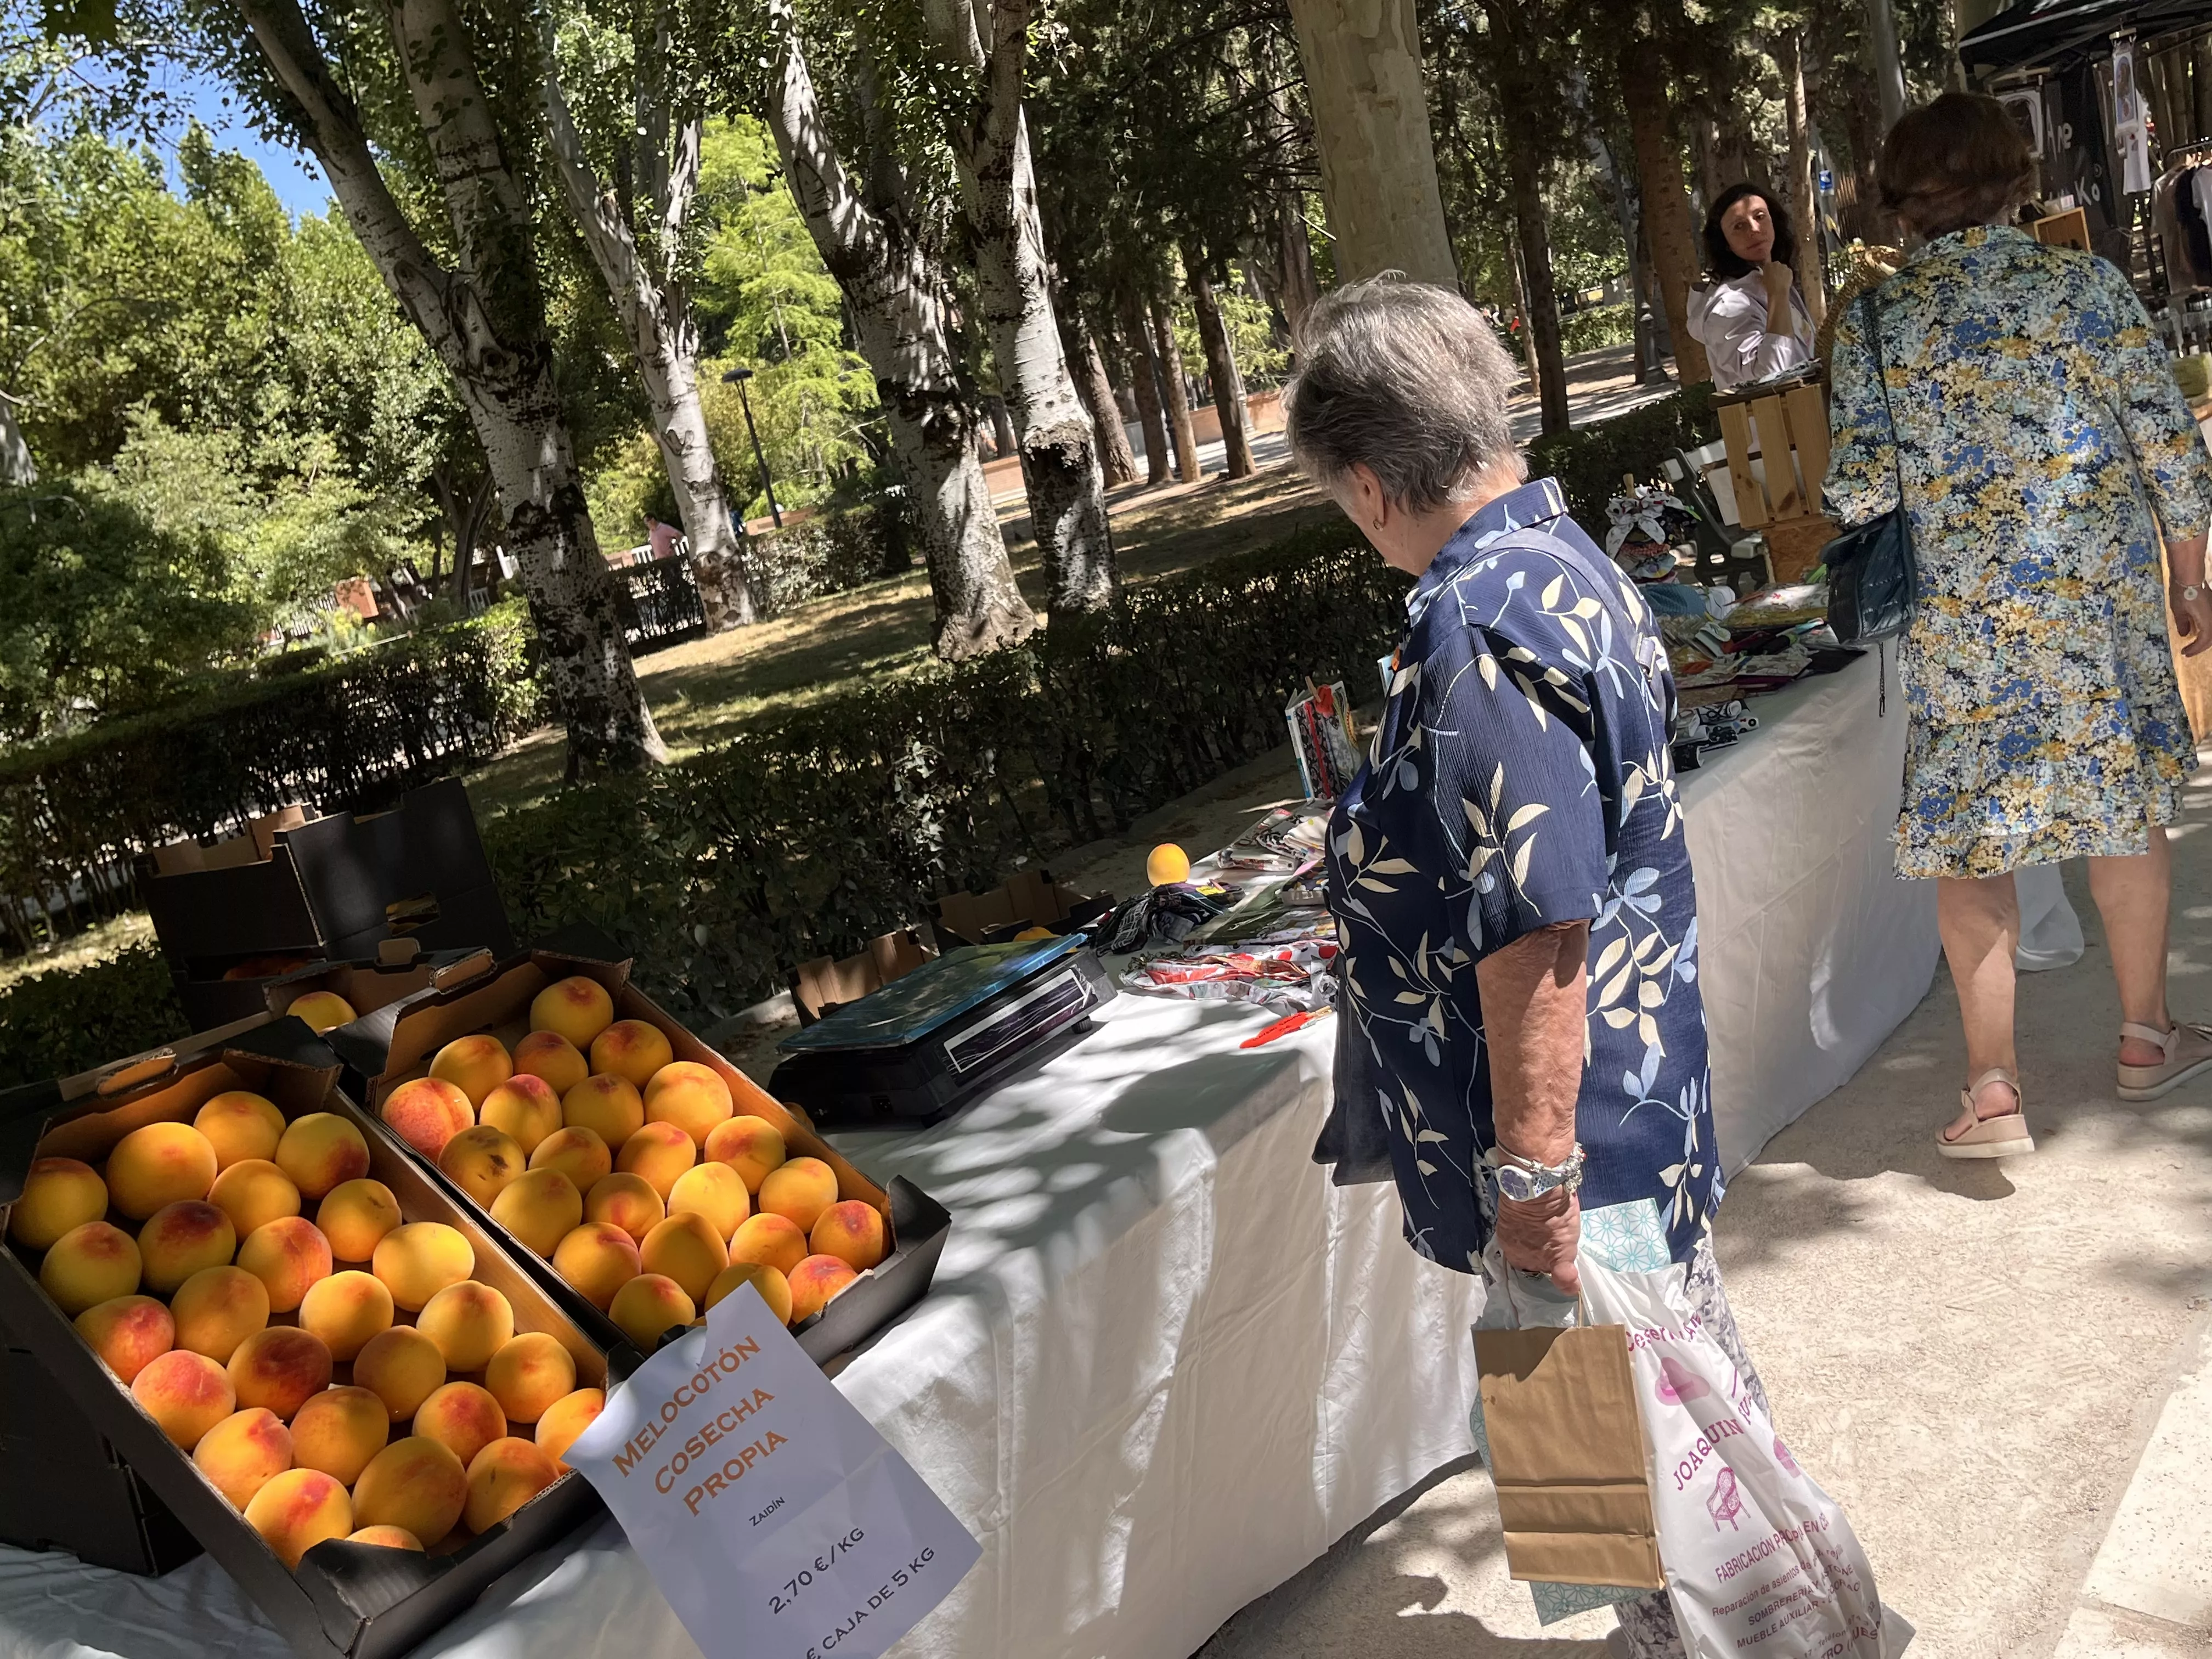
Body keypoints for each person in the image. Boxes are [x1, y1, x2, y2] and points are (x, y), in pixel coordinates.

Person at [1286, 276, 1759, 1657]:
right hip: (1615, 1107)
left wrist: (1535, 1177)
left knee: (1640, 1496)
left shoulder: (1475, 617)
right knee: (1653, 1465)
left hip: (1567, 1139)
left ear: (1370, 483)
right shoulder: (1553, 553)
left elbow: (1540, 920)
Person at [1826, 92, 2212, 1155]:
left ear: (1904, 202)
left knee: (1973, 847)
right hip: (2095, 606)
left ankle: (1993, 1090)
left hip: (1961, 622)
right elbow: (2169, 446)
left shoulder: (1874, 325)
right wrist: (2191, 580)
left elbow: (1857, 490)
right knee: (2124, 811)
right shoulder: (2084, 286)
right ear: (2012, 180)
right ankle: (2147, 1036)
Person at [1686, 183, 1814, 390]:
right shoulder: (1728, 305)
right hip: (1772, 420)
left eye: (1760, 216)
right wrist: (1778, 294)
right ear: (1725, 243)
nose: (1754, 229)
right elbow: (1773, 374)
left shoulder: (1774, 279)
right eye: (1739, 226)